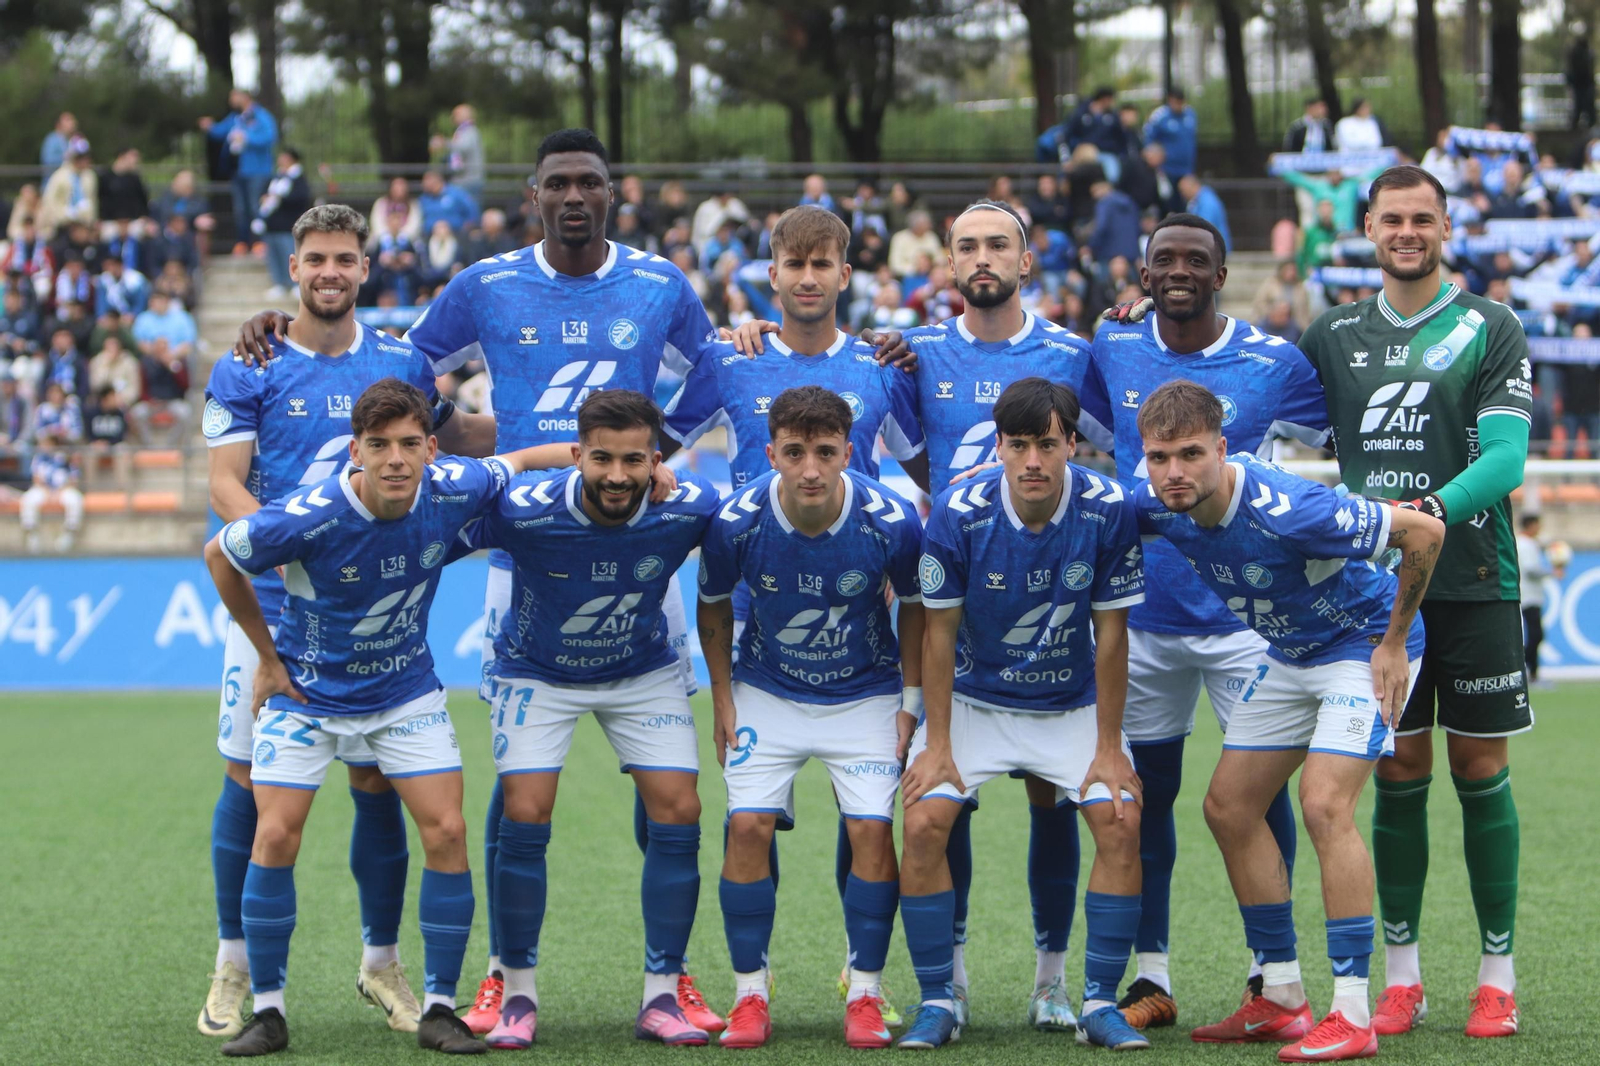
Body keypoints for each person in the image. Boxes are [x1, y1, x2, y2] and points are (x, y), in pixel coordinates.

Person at [196, 204, 501, 1043]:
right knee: (246, 780)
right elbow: (225, 487)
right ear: (293, 267)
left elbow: (451, 438)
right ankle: (236, 961)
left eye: (346, 259)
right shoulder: (250, 361)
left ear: (366, 268)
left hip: (375, 612)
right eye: (316, 258)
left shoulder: (400, 357)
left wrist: (565, 435)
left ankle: (382, 962)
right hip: (274, 605)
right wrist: (291, 569)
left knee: (378, 781)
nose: (331, 272)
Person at [202, 377, 554, 1057]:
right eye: (378, 445)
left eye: (408, 444)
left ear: (430, 448)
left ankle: (441, 1009)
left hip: (403, 696)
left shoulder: (455, 485)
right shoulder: (310, 513)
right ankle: (269, 1011)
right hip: (308, 696)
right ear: (356, 453)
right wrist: (266, 659)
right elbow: (221, 553)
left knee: (447, 830)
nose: (395, 459)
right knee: (274, 836)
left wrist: (626, 463)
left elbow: (526, 459)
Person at [1133, 380, 1442, 1061]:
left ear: (1222, 447)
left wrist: (1393, 642)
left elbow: (1425, 531)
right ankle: (1280, 995)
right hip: (1292, 652)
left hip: (1363, 647)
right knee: (1229, 807)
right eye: (1159, 458)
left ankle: (1354, 1014)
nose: (1174, 473)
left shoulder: (1293, 508)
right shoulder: (1156, 500)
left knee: (1326, 807)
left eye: (1190, 454)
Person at [1077, 213, 1331, 1030]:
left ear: (1223, 275)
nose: (1179, 270)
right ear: (1142, 276)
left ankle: (1272, 977)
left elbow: (1339, 435)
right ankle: (1151, 978)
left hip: (1248, 621)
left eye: (1196, 259)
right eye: (1164, 261)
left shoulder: (1274, 361)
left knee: (1257, 799)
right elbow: (1079, 438)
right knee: (1143, 804)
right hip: (1141, 620)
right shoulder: (1111, 346)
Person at [1296, 164, 1532, 1039]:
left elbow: (1508, 459)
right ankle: (1403, 980)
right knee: (1396, 773)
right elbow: (1246, 400)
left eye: (1422, 219)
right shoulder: (1333, 334)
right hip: (1372, 597)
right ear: (1367, 228)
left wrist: (1426, 513)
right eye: (1392, 218)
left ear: (1445, 227)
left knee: (1479, 770)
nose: (1407, 232)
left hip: (1471, 583)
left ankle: (1496, 976)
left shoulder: (1490, 326)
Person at [461, 390, 721, 1049]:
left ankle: (663, 993)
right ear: (576, 456)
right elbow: (426, 524)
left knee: (680, 809)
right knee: (525, 811)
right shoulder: (524, 510)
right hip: (537, 672)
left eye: (634, 461)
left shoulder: (689, 506)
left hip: (642, 671)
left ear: (655, 459)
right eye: (600, 459)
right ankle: (516, 992)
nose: (616, 476)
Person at [901, 377, 1146, 1051]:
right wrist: (939, 745)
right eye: (1018, 445)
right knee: (924, 819)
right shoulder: (957, 511)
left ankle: (1084, 997)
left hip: (1069, 704)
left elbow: (1112, 637)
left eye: (1046, 443)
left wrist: (1106, 748)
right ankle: (939, 997)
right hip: (977, 700)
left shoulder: (1107, 508)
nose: (1033, 460)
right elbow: (938, 636)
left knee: (1120, 818)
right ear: (1000, 447)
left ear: (1073, 443)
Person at [901, 200, 1097, 1032]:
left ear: (1027, 259)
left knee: (1054, 798)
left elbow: (1109, 450)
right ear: (948, 261)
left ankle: (1053, 981)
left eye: (998, 245)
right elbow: (920, 466)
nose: (983, 258)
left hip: (1053, 614)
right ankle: (948, 980)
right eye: (967, 246)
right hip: (954, 613)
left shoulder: (1077, 355)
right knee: (947, 796)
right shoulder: (913, 356)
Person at [697, 385, 923, 1050]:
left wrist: (910, 704)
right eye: (794, 453)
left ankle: (865, 993)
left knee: (872, 836)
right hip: (766, 689)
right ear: (771, 453)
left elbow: (916, 609)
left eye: (826, 452)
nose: (811, 469)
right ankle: (749, 996)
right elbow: (712, 608)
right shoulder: (736, 521)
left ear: (850, 452)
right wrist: (721, 697)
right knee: (747, 827)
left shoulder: (891, 520)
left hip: (866, 693)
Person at [201, 89, 279, 254]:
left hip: (257, 171)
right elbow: (220, 132)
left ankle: (259, 242)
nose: (231, 100)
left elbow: (270, 137)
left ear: (245, 97)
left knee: (255, 207)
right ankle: (242, 242)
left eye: (234, 96)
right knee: (240, 209)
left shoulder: (261, 116)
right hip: (238, 171)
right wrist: (210, 127)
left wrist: (247, 138)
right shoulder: (235, 118)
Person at [257, 149, 313, 301]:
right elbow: (263, 192)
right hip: (272, 224)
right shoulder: (276, 177)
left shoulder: (298, 178)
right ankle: (278, 282)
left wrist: (281, 198)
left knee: (289, 254)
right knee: (273, 255)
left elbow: (301, 198)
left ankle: (295, 284)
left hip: (288, 225)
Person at [1516, 514, 1559, 687]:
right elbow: (1530, 570)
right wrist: (1551, 572)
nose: (1539, 529)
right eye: (1537, 525)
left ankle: (1530, 672)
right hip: (1528, 596)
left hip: (1529, 595)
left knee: (1535, 634)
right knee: (1536, 635)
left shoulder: (1526, 542)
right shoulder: (1525, 544)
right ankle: (1529, 672)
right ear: (1531, 525)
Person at [38, 143, 98, 239]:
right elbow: (50, 201)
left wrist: (91, 220)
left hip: (84, 225)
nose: (84, 161)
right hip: (63, 225)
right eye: (80, 158)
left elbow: (92, 199)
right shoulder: (60, 176)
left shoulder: (89, 176)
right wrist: (62, 217)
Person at [1143, 89, 1197, 181]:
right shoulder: (1159, 116)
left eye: (1181, 102)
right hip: (1167, 169)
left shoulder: (1190, 114)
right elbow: (1148, 140)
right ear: (1170, 100)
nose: (1179, 106)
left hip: (1187, 168)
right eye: (1176, 102)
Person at [1179, 174, 1232, 254]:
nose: (1182, 194)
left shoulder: (1207, 202)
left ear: (1192, 186)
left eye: (1183, 190)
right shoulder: (1200, 200)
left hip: (1215, 249)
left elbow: (1204, 226)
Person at [418, 169, 479, 236]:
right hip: (429, 236)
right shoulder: (424, 199)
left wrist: (467, 228)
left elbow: (472, 210)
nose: (423, 184)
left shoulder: (456, 194)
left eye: (426, 180)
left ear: (436, 180)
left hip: (456, 235)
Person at [449, 104, 486, 204]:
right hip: (462, 180)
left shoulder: (470, 131)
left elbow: (463, 148)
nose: (452, 118)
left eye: (456, 114)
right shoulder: (462, 131)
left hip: (469, 180)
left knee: (471, 211)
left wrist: (444, 143)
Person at [888, 210, 942, 278]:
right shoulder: (899, 238)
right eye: (925, 224)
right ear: (916, 225)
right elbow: (895, 266)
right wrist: (915, 268)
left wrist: (929, 265)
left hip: (931, 276)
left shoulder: (931, 236)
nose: (929, 226)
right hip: (906, 278)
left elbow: (940, 258)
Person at [1569, 29, 1597, 131]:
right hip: (1580, 84)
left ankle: (1590, 125)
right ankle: (1575, 125)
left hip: (1585, 84)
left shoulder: (1587, 53)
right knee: (1579, 106)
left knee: (1587, 106)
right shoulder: (1577, 53)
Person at [40, 112, 77, 180]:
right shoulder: (52, 140)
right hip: (52, 182)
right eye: (68, 120)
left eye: (72, 120)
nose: (72, 123)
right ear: (58, 125)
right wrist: (67, 157)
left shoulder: (72, 140)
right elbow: (48, 160)